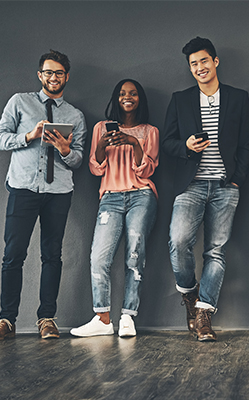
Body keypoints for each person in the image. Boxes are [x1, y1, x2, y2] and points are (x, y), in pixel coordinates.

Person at [162, 37, 249, 341]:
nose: (199, 67)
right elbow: (167, 143)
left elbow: (246, 143)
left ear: (215, 61)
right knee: (178, 242)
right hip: (191, 184)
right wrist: (187, 147)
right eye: (193, 64)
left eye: (204, 61)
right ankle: (190, 294)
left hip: (225, 186)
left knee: (216, 250)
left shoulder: (238, 98)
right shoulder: (180, 99)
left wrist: (237, 179)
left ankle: (203, 314)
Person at [0, 50, 87, 340]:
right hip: (23, 188)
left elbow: (78, 160)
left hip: (58, 192)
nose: (53, 77)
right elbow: (1, 138)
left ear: (67, 77)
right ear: (40, 75)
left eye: (59, 73)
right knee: (13, 255)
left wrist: (64, 149)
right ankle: (6, 319)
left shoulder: (75, 115)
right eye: (48, 72)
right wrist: (29, 136)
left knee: (52, 255)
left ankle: (47, 318)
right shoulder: (19, 102)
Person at [70, 79, 159, 338]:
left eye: (132, 93)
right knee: (99, 257)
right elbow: (95, 168)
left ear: (140, 98)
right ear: (115, 98)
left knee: (134, 255)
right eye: (122, 93)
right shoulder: (101, 128)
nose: (127, 97)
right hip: (110, 197)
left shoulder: (150, 131)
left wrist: (134, 143)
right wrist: (102, 145)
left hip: (141, 194)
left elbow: (148, 169)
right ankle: (103, 318)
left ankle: (128, 316)